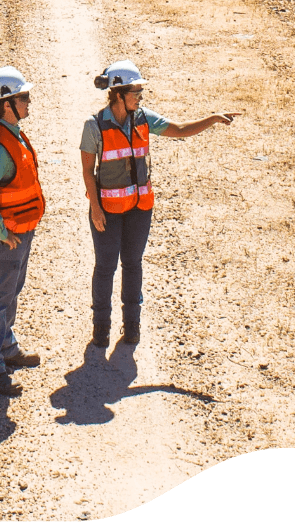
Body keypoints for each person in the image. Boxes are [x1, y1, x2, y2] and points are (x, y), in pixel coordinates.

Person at [80, 60, 240, 348]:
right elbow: (87, 172)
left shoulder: (143, 118)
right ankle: (101, 328)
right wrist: (95, 208)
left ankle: (132, 327)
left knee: (132, 264)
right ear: (119, 94)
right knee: (105, 268)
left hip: (140, 208)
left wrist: (212, 118)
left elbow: (178, 129)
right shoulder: (93, 126)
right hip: (108, 211)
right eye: (136, 92)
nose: (140, 98)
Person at [0, 66, 45, 396]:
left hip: (19, 231)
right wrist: (0, 231)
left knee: (10, 291)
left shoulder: (11, 132)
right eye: (24, 97)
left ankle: (5, 347)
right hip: (8, 235)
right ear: (7, 104)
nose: (29, 102)